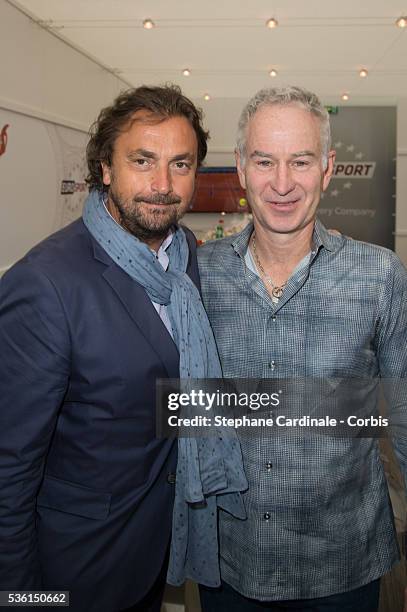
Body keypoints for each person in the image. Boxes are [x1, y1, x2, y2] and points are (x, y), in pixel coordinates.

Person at [0, 84, 218, 612]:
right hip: (72, 568)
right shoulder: (46, 285)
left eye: (181, 164)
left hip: (152, 548)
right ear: (105, 168)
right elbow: (8, 467)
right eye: (143, 160)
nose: (162, 185)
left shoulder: (184, 253)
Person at [198, 86, 407, 611]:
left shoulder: (378, 276)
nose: (283, 184)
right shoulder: (199, 276)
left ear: (328, 168)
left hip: (341, 564)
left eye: (301, 161)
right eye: (265, 161)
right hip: (229, 564)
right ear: (241, 168)